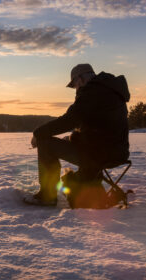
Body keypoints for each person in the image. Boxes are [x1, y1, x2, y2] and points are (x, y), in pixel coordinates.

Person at [25, 64, 130, 206]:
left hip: (97, 155)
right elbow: (98, 127)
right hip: (117, 153)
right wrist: (72, 137)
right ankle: (86, 187)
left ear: (79, 79)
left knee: (46, 143)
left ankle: (47, 196)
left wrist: (38, 133)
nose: (76, 89)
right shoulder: (110, 90)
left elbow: (70, 120)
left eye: (74, 85)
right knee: (66, 142)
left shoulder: (92, 92)